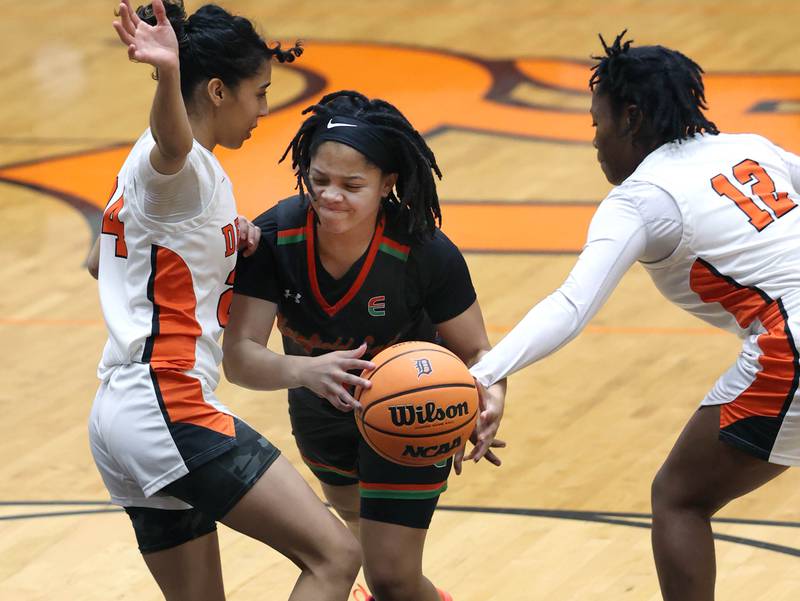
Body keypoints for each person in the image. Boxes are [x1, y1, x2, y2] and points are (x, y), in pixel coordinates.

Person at [469, 30, 800, 601]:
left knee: (679, 498)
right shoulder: (752, 148)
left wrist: (484, 373)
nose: (595, 144)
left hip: (787, 352)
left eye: (597, 125)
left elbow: (572, 305)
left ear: (631, 117)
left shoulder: (643, 198)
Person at [87, 2, 361, 600]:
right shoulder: (179, 167)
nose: (265, 109)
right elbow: (173, 145)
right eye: (258, 93)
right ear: (216, 91)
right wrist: (165, 76)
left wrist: (224, 236)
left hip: (118, 414)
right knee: (336, 554)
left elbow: (100, 260)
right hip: (169, 405)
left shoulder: (155, 175)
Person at [223, 90, 506, 601]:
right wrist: (305, 374)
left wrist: (491, 398)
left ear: (387, 184)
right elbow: (240, 357)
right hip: (317, 409)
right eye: (320, 179)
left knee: (392, 577)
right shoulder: (275, 237)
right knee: (353, 528)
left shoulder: (424, 250)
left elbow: (480, 353)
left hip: (414, 408)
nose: (332, 195)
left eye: (353, 185)